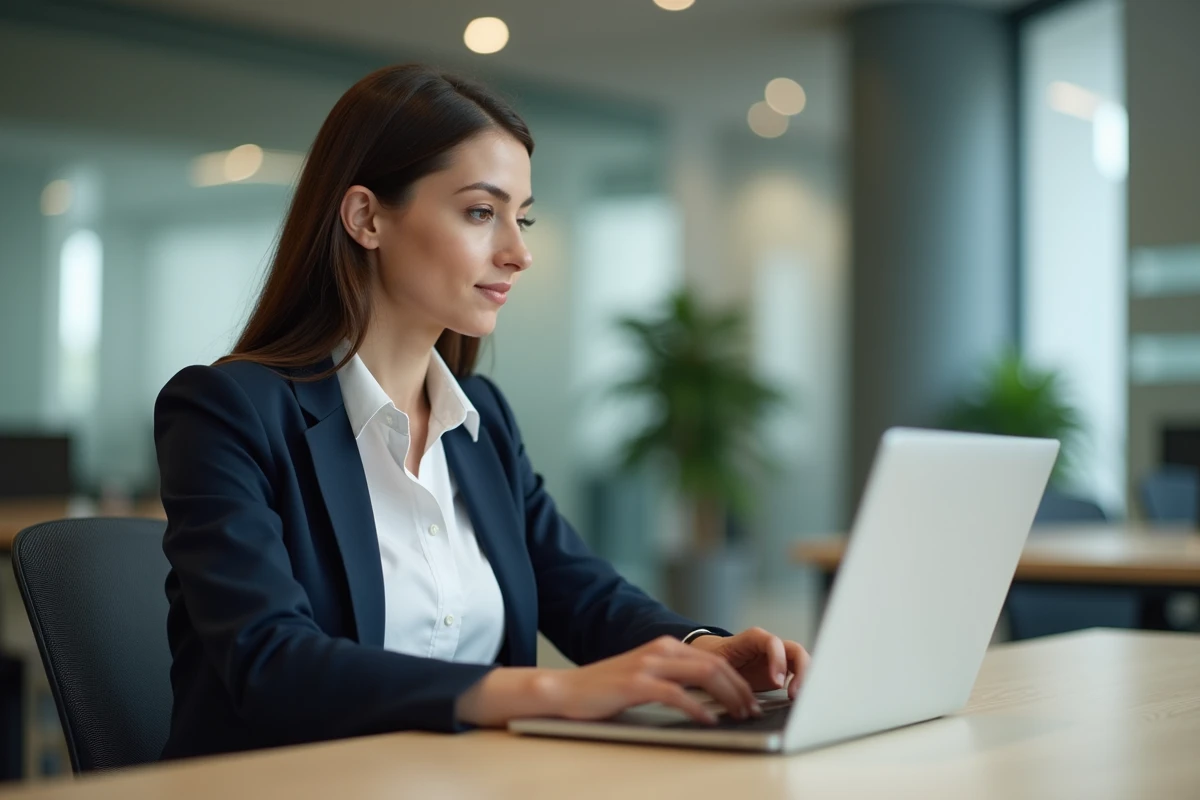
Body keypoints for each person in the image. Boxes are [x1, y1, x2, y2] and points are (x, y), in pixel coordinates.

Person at [154, 63, 809, 761]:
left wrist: (702, 650)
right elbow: (271, 662)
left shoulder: (480, 420)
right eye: (480, 212)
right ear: (366, 217)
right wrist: (546, 694)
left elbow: (578, 589)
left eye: (520, 217)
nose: (519, 252)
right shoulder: (228, 411)